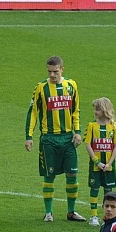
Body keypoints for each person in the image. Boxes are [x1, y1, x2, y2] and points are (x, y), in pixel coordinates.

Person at [26, 55, 85, 222]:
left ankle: (71, 212)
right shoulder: (40, 88)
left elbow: (76, 110)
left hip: (68, 139)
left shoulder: (71, 86)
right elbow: (33, 113)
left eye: (55, 72)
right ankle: (48, 213)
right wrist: (28, 136)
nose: (52, 75)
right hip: (49, 139)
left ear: (62, 69)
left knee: (72, 176)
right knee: (49, 176)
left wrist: (78, 131)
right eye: (49, 72)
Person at [84, 98, 116, 227]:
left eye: (98, 109)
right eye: (95, 109)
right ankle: (94, 216)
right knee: (94, 189)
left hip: (109, 165)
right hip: (95, 165)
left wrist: (109, 163)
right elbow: (88, 144)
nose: (95, 111)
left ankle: (107, 217)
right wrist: (97, 162)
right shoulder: (91, 126)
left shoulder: (114, 126)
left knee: (108, 191)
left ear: (105, 110)